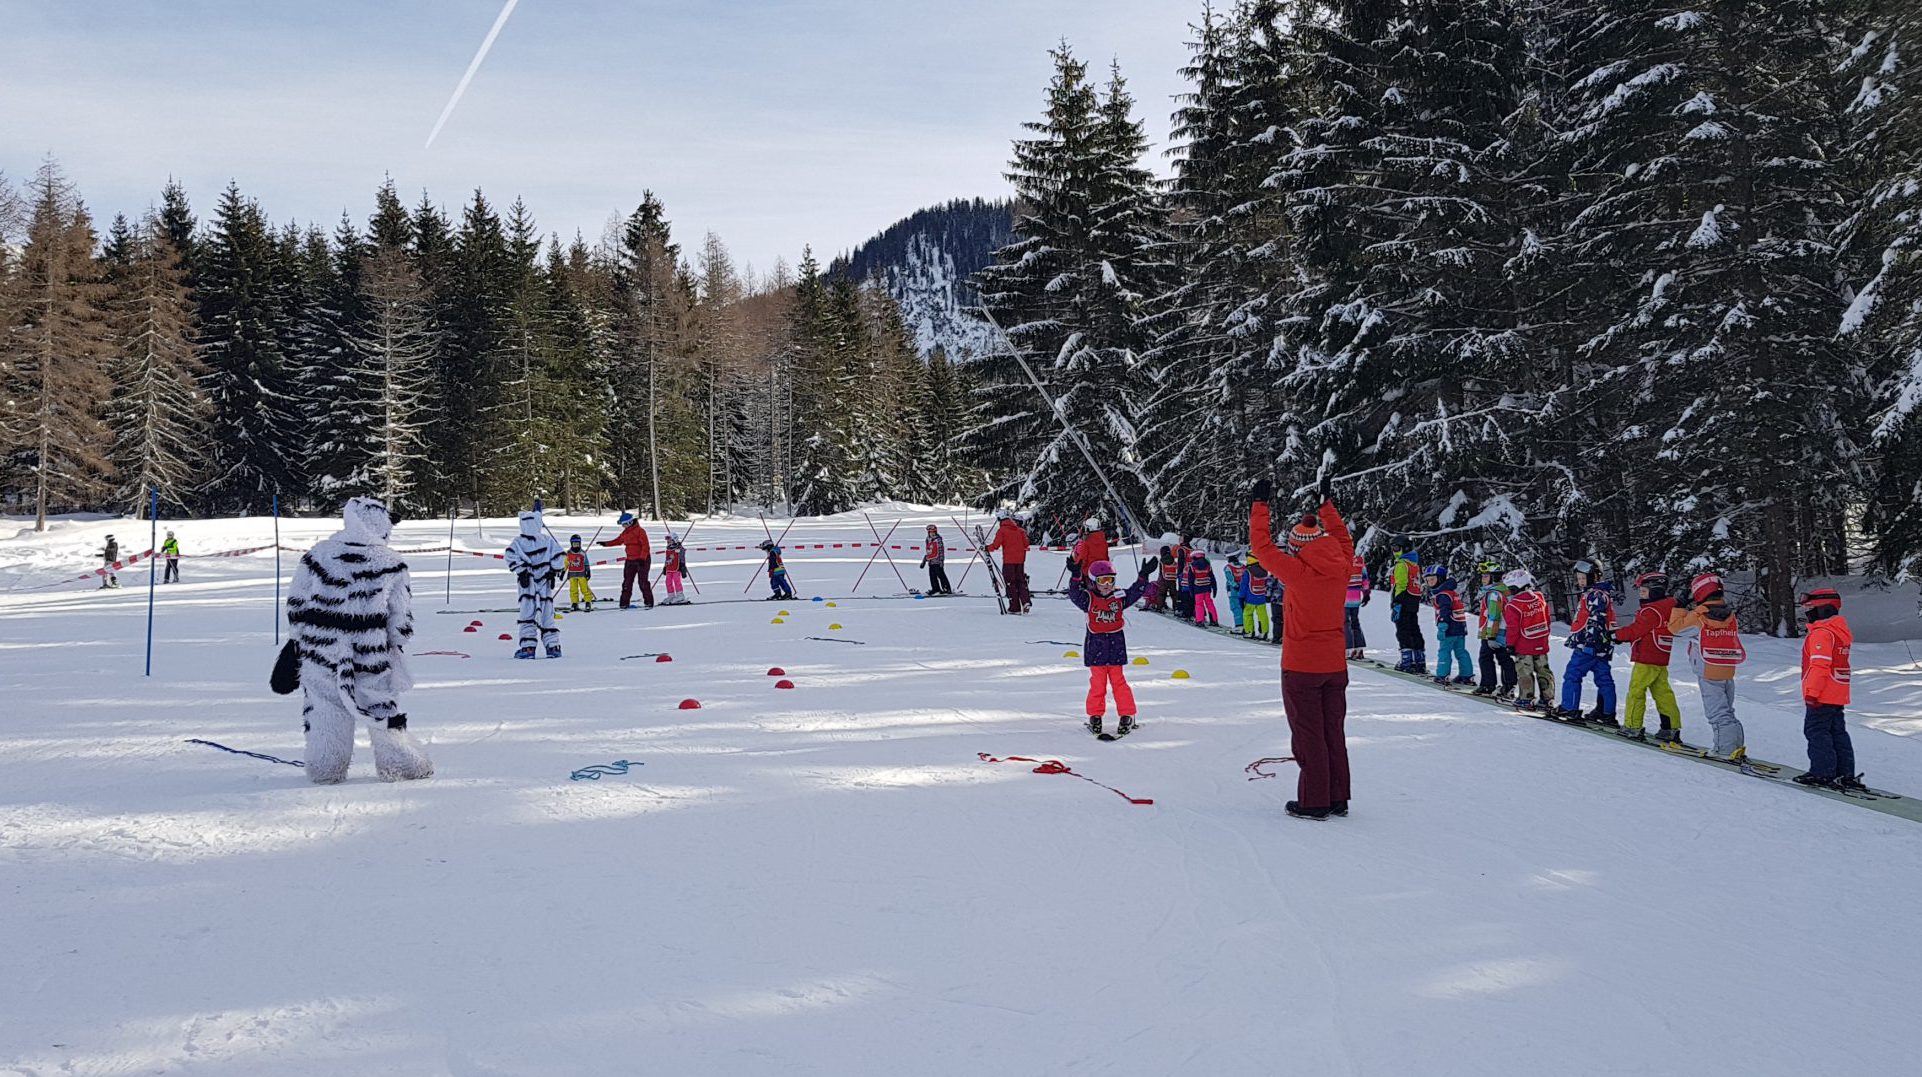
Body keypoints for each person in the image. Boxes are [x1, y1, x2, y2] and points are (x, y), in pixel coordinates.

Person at [285, 496, 432, 784]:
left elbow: (296, 604)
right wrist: (396, 644)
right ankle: (401, 765)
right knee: (380, 705)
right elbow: (400, 618)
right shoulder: (392, 563)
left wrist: (300, 640)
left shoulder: (318, 555)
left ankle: (326, 768)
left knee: (325, 709)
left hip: (321, 651)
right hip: (370, 654)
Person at [1248, 479, 1356, 821]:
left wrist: (1259, 506)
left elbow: (1261, 547)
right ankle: (1338, 796)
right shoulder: (1341, 564)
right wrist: (1326, 506)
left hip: (1301, 667)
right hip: (1335, 666)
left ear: (1297, 548)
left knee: (1308, 735)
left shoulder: (1298, 572)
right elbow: (1343, 538)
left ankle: (1314, 801)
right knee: (1332, 732)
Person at [1068, 558, 1152, 738]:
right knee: (1097, 685)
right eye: (1102, 581)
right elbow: (1074, 594)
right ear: (1093, 582)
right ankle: (1095, 716)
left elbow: (1135, 593)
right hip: (1096, 647)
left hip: (1115, 647)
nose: (1107, 585)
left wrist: (1143, 577)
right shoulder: (1088, 599)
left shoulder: (1119, 596)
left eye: (1110, 580)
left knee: (1119, 683)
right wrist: (1075, 577)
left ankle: (1127, 715)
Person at [1669, 572, 1746, 760]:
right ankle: (1736, 745)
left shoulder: (1700, 617)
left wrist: (1679, 606)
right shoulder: (1730, 615)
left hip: (1708, 668)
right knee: (1727, 709)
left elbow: (1675, 629)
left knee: (1716, 712)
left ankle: (1724, 750)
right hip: (1727, 667)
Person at [1796, 588, 1862, 789]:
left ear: (1823, 609)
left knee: (1817, 731)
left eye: (1811, 608)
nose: (1808, 613)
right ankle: (1844, 772)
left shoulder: (1822, 634)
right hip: (1837, 691)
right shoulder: (1839, 632)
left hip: (1822, 692)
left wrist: (1812, 693)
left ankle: (1822, 772)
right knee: (1837, 732)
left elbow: (1820, 666)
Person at [1611, 571, 1681, 742]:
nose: (1640, 595)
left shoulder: (1650, 611)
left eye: (1643, 591)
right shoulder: (1668, 608)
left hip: (1646, 658)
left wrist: (1616, 635)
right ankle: (1670, 727)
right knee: (1663, 692)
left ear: (1655, 591)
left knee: (1636, 690)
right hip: (1660, 657)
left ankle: (1632, 726)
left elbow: (1636, 630)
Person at [1557, 558, 1618, 724]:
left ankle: (1569, 708)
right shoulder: (1599, 593)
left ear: (1596, 577)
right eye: (1579, 578)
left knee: (1572, 674)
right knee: (1604, 678)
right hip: (1601, 645)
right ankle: (1607, 713)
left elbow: (1596, 620)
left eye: (1584, 578)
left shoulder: (1595, 595)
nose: (1581, 582)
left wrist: (1590, 644)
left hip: (1589, 645)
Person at [505, 508, 565, 659]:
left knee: (527, 613)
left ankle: (528, 647)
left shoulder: (518, 542)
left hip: (528, 585)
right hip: (543, 582)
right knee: (547, 614)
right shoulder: (547, 541)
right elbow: (560, 558)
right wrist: (553, 571)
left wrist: (522, 571)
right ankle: (553, 646)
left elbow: (510, 556)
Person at [1503, 570, 1556, 711]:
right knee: (1544, 670)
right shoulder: (1539, 597)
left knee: (1524, 672)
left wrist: (1510, 644)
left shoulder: (1513, 605)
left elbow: (1513, 628)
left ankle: (1526, 698)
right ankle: (1548, 698)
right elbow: (1547, 619)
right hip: (1541, 642)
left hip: (1524, 646)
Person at [1473, 560, 1516, 699]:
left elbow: (1493, 615)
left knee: (1485, 658)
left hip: (1494, 632)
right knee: (1504, 658)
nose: (1482, 579)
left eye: (1486, 576)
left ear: (1494, 577)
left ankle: (1488, 684)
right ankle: (1509, 685)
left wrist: (1490, 636)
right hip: (1504, 631)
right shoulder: (1505, 590)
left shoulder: (1494, 593)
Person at [597, 512, 654, 610]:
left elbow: (645, 546)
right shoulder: (626, 532)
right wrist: (606, 544)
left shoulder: (640, 531)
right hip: (630, 561)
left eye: (624, 524)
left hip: (642, 560)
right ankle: (624, 603)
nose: (623, 526)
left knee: (643, 582)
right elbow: (618, 541)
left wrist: (642, 558)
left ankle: (648, 602)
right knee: (627, 583)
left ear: (629, 522)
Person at [1429, 566, 1474, 686]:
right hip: (1460, 628)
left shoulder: (1443, 595)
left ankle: (1442, 675)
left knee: (1444, 650)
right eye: (1428, 580)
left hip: (1449, 628)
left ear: (1440, 579)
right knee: (1461, 651)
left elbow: (1445, 610)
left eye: (1432, 579)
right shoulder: (1451, 592)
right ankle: (1466, 675)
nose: (1430, 583)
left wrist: (1442, 626)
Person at [1389, 536, 1425, 672]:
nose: (1394, 551)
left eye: (1397, 548)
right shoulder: (1414, 564)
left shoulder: (1402, 564)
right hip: (1413, 600)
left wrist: (1397, 602)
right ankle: (1419, 660)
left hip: (1403, 599)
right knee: (1414, 629)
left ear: (1405, 548)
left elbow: (1401, 584)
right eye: (1393, 548)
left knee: (1403, 630)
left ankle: (1407, 661)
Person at [985, 510, 1032, 614]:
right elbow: (1026, 544)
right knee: (1021, 581)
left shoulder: (1002, 530)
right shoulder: (1020, 530)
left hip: (1009, 561)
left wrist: (986, 548)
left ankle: (1014, 607)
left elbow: (996, 545)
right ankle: (1025, 601)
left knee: (1011, 583)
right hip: (1020, 561)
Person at [1239, 559, 1274, 640]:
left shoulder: (1247, 572)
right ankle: (1264, 632)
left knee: (1247, 614)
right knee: (1263, 616)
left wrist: (1241, 597)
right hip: (1261, 597)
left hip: (1250, 598)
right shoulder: (1264, 570)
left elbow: (1243, 586)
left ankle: (1249, 631)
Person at [1344, 552, 1369, 660]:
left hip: (1344, 596)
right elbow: (1365, 578)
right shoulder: (1359, 561)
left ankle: (1348, 649)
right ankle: (1359, 648)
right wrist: (1366, 593)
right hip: (1356, 597)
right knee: (1355, 622)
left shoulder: (1341, 559)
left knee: (1345, 622)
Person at [1188, 550, 1221, 627]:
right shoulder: (1208, 565)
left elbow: (1190, 580)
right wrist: (1214, 587)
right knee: (1209, 603)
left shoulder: (1192, 566)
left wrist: (1191, 591)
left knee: (1199, 604)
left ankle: (1200, 621)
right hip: (1207, 588)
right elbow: (1212, 577)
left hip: (1198, 589)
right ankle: (1214, 620)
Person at [1070, 517, 1110, 582]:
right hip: (1103, 569)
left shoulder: (1086, 542)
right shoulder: (1103, 540)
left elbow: (1082, 558)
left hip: (1090, 571)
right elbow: (1106, 555)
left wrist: (1076, 566)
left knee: (1078, 577)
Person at [564, 535, 596, 612]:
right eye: (574, 544)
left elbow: (586, 562)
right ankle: (574, 603)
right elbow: (566, 563)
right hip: (572, 574)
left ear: (580, 543)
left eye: (577, 544)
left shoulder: (582, 553)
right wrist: (563, 572)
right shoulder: (568, 553)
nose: (576, 545)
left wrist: (588, 571)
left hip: (582, 574)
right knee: (573, 589)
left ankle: (588, 602)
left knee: (584, 589)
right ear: (571, 544)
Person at [919, 524, 953, 595]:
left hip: (937, 561)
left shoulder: (938, 540)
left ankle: (946, 588)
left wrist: (941, 561)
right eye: (930, 532)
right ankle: (935, 589)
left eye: (933, 532)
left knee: (941, 575)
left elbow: (940, 551)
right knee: (932, 576)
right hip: (931, 562)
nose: (932, 534)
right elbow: (928, 551)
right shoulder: (928, 540)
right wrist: (924, 561)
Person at [661, 533, 692, 606]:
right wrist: (665, 567)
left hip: (677, 568)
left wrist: (683, 567)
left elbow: (682, 557)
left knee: (676, 580)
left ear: (674, 540)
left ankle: (680, 595)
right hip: (669, 567)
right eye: (667, 541)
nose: (668, 542)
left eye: (670, 541)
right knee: (668, 581)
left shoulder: (679, 548)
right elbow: (667, 558)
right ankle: (671, 595)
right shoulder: (668, 549)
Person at [1225, 553, 1248, 635]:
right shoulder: (1243, 566)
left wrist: (1235, 585)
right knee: (1243, 607)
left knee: (1235, 607)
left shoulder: (1228, 567)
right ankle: (1246, 625)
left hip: (1233, 590)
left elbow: (1230, 579)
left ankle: (1239, 626)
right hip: (1244, 590)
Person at [1155, 544, 1180, 611]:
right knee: (1174, 594)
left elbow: (1161, 572)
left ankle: (1160, 607)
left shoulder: (1162, 560)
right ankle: (1176, 607)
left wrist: (1159, 580)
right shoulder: (1173, 560)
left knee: (1161, 594)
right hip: (1173, 579)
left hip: (1164, 579)